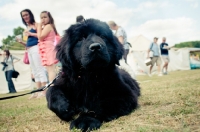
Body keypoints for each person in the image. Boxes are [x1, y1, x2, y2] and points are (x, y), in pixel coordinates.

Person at [16, 9, 48, 99]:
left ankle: (44, 91)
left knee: (40, 69)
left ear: (30, 15)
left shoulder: (36, 24)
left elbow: (40, 35)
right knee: (34, 71)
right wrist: (21, 42)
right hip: (29, 50)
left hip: (36, 48)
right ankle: (37, 92)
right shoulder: (26, 28)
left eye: (26, 15)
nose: (25, 17)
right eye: (23, 16)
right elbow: (27, 43)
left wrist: (30, 33)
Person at [37, 11, 59, 84]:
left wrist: (39, 27)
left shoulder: (48, 26)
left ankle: (52, 86)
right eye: (41, 18)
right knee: (50, 69)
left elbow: (40, 37)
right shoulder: (49, 26)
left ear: (49, 18)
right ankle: (53, 85)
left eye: (45, 17)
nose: (43, 19)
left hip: (48, 48)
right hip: (48, 47)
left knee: (50, 69)